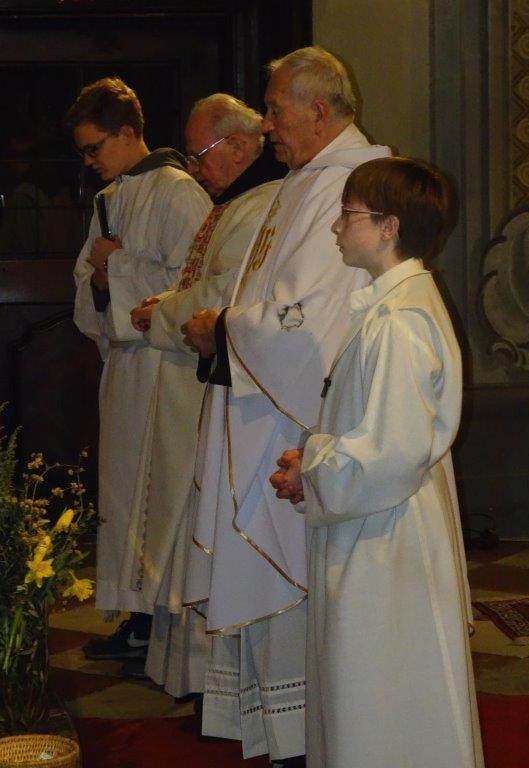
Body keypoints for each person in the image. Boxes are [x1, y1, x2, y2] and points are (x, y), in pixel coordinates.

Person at [182, 47, 391, 765]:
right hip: (265, 409)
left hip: (300, 426)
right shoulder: (305, 182)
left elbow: (306, 329)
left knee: (298, 587)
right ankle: (287, 740)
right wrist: (231, 327)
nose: (266, 124)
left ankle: (306, 744)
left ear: (318, 111)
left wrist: (223, 328)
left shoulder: (353, 187)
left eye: (274, 110)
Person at [270, 157, 485, 768]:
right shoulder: (392, 306)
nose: (336, 227)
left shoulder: (399, 321)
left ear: (389, 227)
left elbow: (390, 454)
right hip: (379, 517)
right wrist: (316, 456)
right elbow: (380, 432)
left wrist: (312, 468)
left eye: (349, 215)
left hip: (385, 532)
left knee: (381, 689)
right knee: (376, 685)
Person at [122, 93, 285, 691]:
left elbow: (225, 295)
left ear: (239, 145)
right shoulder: (235, 203)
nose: (194, 169)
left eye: (200, 154)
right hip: (202, 383)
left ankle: (214, 681)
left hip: (231, 391)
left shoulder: (263, 204)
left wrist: (164, 312)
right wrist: (170, 306)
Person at [68, 76, 211, 659]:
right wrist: (105, 278)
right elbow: (88, 282)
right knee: (127, 496)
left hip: (168, 371)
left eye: (95, 147)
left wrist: (119, 266)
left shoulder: (180, 192)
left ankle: (164, 623)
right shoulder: (108, 199)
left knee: (163, 495)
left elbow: (198, 285)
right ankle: (136, 615)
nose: (89, 160)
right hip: (126, 368)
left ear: (128, 133)